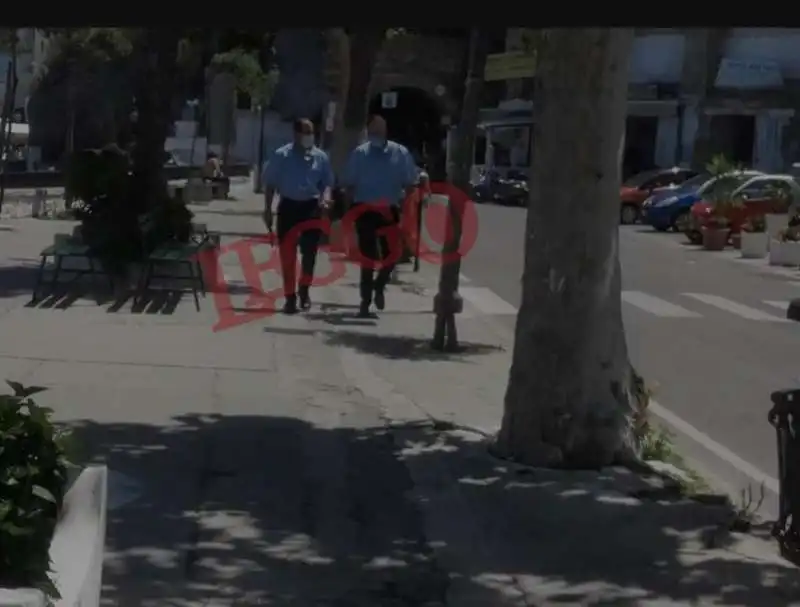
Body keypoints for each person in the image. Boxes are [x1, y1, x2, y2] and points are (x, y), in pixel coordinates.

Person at [342, 114, 418, 317]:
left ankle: (379, 285)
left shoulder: (399, 153)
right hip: (364, 209)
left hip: (389, 210)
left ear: (386, 131)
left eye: (379, 130)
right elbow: (349, 185)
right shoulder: (359, 154)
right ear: (368, 132)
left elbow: (410, 183)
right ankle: (365, 303)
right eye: (372, 131)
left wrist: (406, 207)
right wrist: (348, 214)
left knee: (393, 255)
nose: (376, 134)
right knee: (368, 257)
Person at [262, 118, 334, 314]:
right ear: (295, 134)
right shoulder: (281, 155)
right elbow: (270, 184)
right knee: (287, 255)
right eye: (306, 132)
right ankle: (289, 297)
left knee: (310, 253)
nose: (309, 137)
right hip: (288, 207)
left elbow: (326, 183)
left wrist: (326, 199)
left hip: (311, 207)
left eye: (311, 132)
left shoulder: (320, 157)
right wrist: (267, 209)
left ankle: (304, 288)